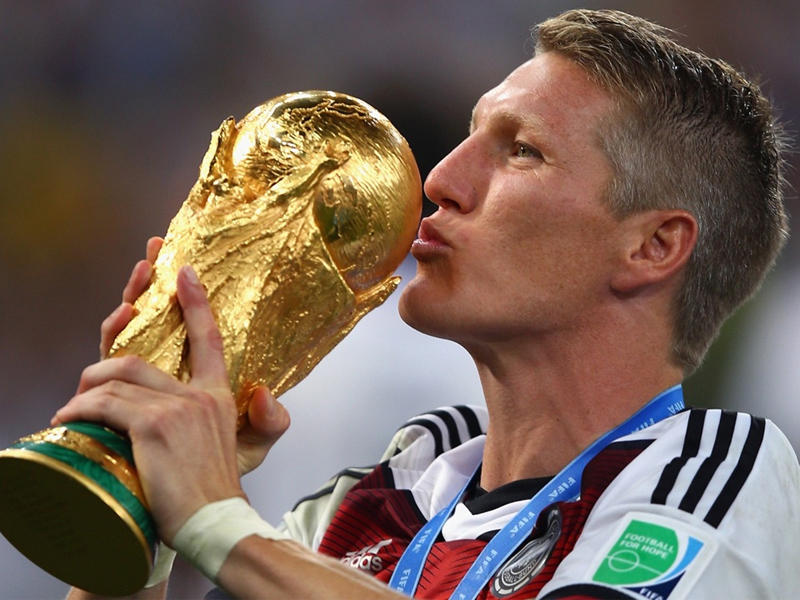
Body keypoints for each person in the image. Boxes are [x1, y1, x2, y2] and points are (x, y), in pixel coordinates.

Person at [59, 8, 798, 600]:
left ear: (652, 247)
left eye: (522, 151)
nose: (439, 182)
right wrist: (140, 498)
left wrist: (216, 520)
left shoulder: (713, 468)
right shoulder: (393, 491)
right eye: (470, 136)